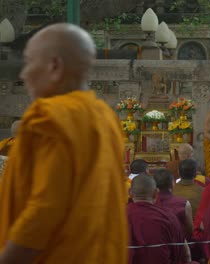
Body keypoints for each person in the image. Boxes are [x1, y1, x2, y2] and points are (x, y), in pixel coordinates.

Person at [0, 24, 128, 263]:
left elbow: (45, 210)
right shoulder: (106, 119)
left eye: (29, 62)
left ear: (55, 67)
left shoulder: (49, 117)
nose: (23, 73)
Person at [127, 175, 188, 264]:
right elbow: (182, 253)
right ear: (156, 193)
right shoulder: (168, 217)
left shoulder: (119, 217)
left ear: (130, 193)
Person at [153, 168, 193, 239]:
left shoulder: (150, 203)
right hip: (179, 243)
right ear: (172, 184)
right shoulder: (183, 203)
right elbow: (190, 230)